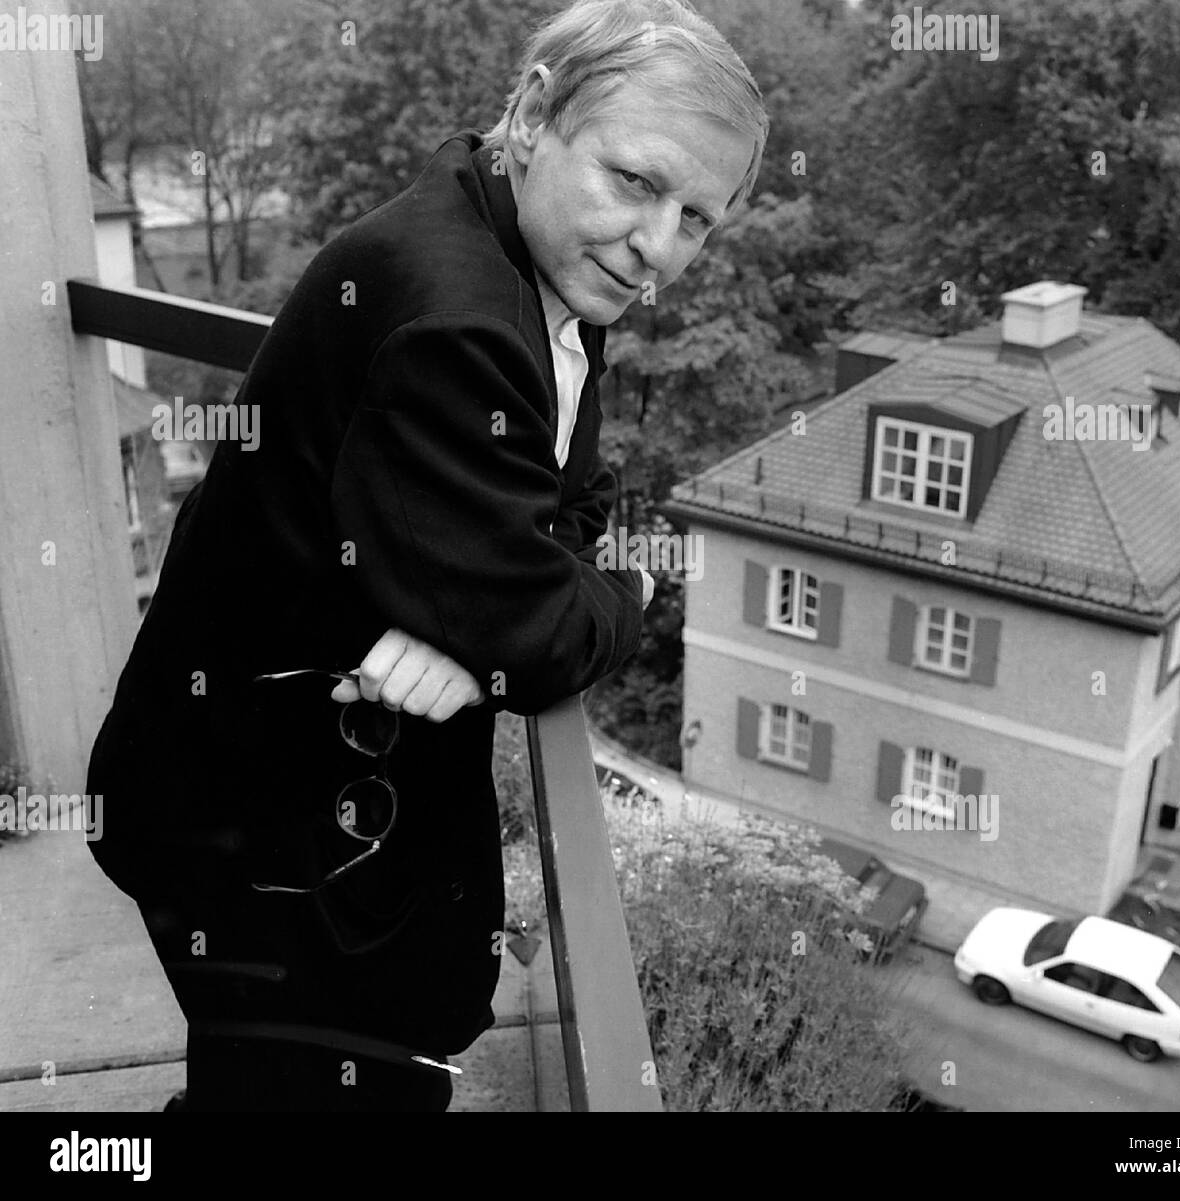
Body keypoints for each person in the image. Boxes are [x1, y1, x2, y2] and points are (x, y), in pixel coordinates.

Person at [85, 0, 767, 1111]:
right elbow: (543, 630)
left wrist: (484, 612)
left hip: (289, 782)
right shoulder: (456, 314)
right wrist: (616, 592)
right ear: (537, 111)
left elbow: (567, 496)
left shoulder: (535, 243)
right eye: (637, 183)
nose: (659, 249)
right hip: (244, 812)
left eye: (698, 218)